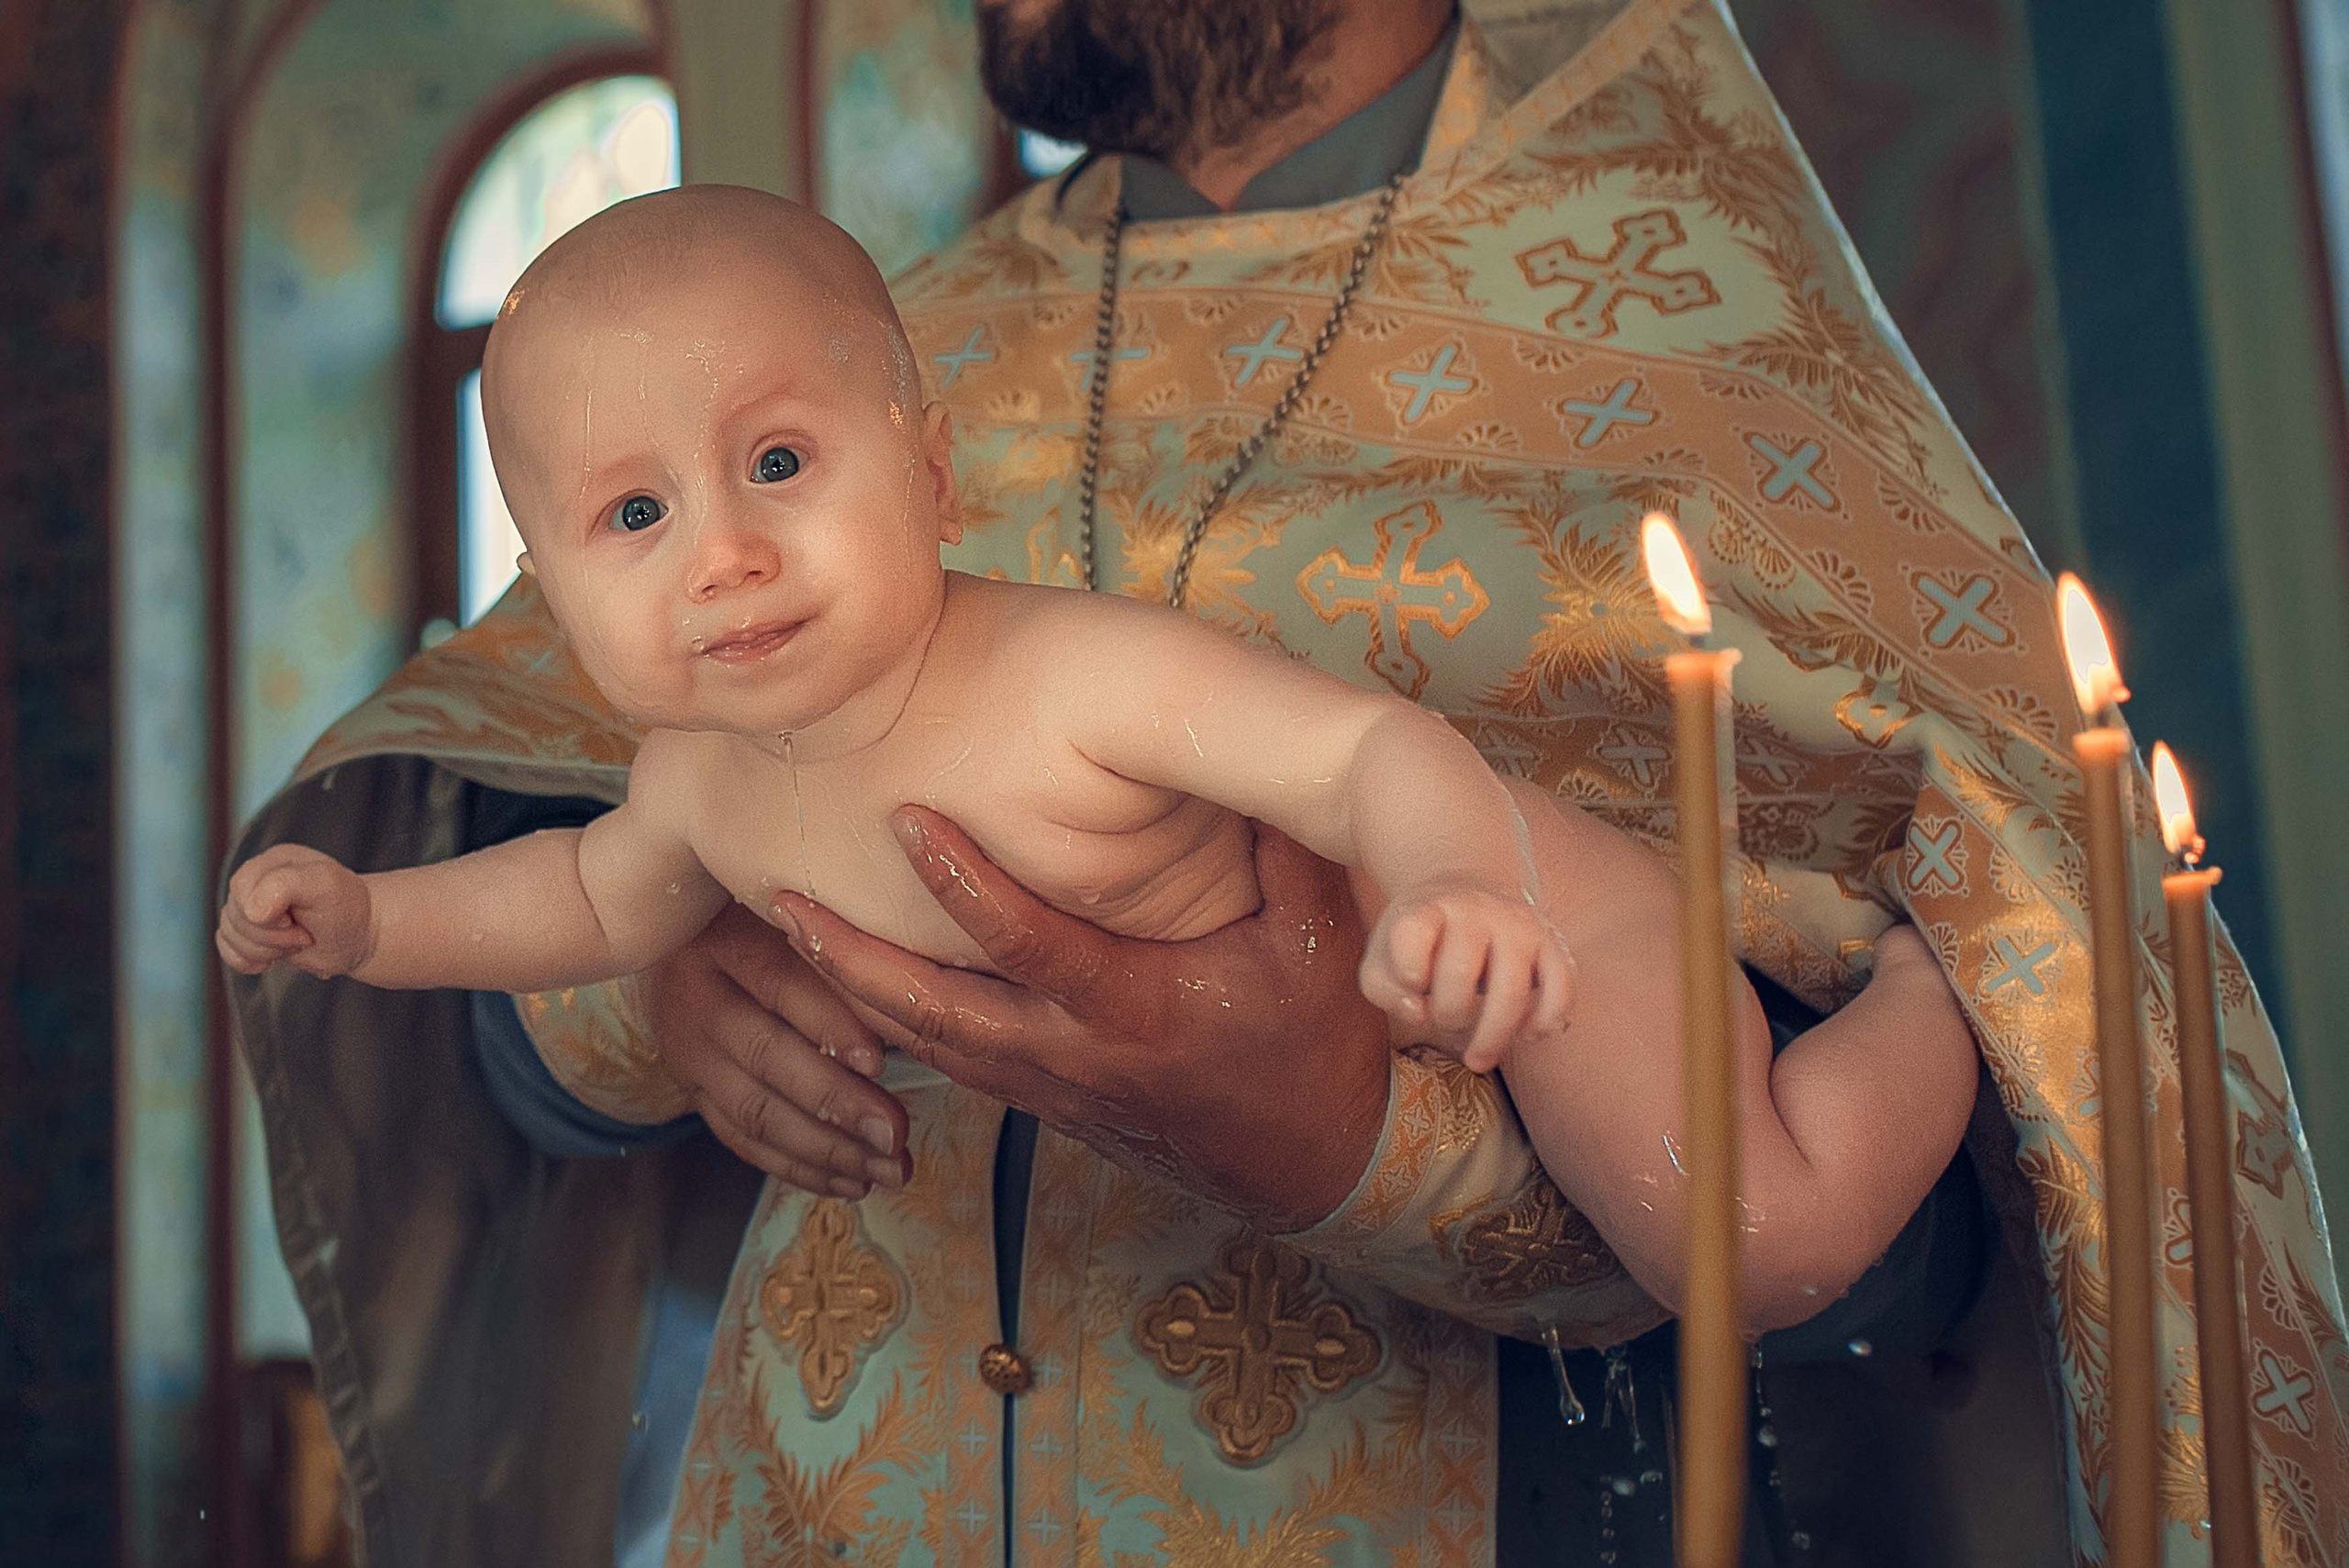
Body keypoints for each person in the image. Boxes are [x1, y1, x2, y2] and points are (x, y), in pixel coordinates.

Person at [224, 1, 2349, 1564]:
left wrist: (1357, 1125)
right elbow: (481, 862)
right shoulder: (826, 359)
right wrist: (669, 1001)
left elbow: (2023, 1104)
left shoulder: (1675, 325)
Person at [218, 187, 1983, 1333]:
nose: (723, 558)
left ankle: (1945, 993)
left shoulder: (1069, 673)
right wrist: (373, 922)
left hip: (1529, 924)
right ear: (538, 580)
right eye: (630, 513)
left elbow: (1372, 749)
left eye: (775, 466)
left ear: (928, 470)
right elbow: (587, 895)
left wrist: (1458, 891)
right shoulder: (697, 781)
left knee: (1751, 1244)